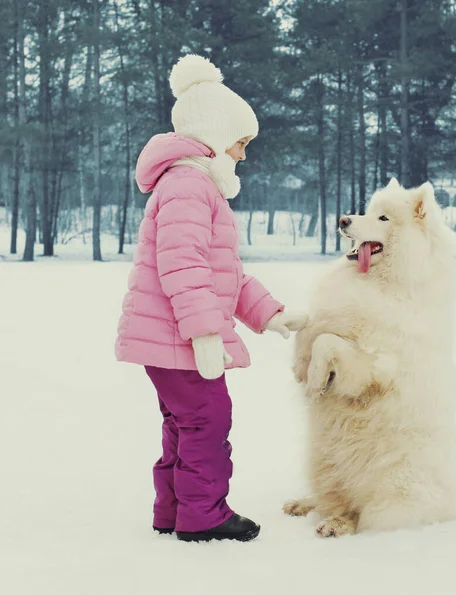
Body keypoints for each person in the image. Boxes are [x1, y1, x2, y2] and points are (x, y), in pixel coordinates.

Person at [115, 55, 307, 543]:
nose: (243, 155)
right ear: (217, 137)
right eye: (241, 144)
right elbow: (183, 267)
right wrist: (203, 332)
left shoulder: (194, 187)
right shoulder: (186, 185)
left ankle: (174, 509)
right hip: (179, 337)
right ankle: (203, 516)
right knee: (206, 419)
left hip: (171, 336)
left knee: (185, 424)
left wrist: (272, 315)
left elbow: (228, 275)